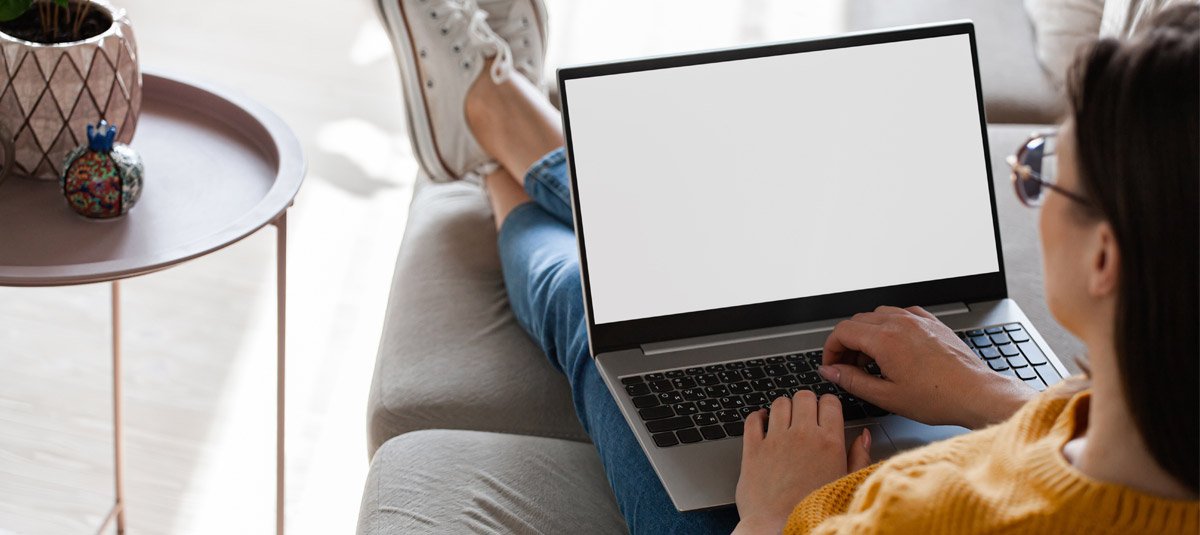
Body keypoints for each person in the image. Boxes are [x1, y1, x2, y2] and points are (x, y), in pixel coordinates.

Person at [376, 0, 1199, 532]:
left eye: (1044, 166)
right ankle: (500, 123)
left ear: (1104, 255)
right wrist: (991, 395)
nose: (1031, 178)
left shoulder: (911, 516)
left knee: (595, 301)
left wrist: (775, 513)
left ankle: (494, 127)